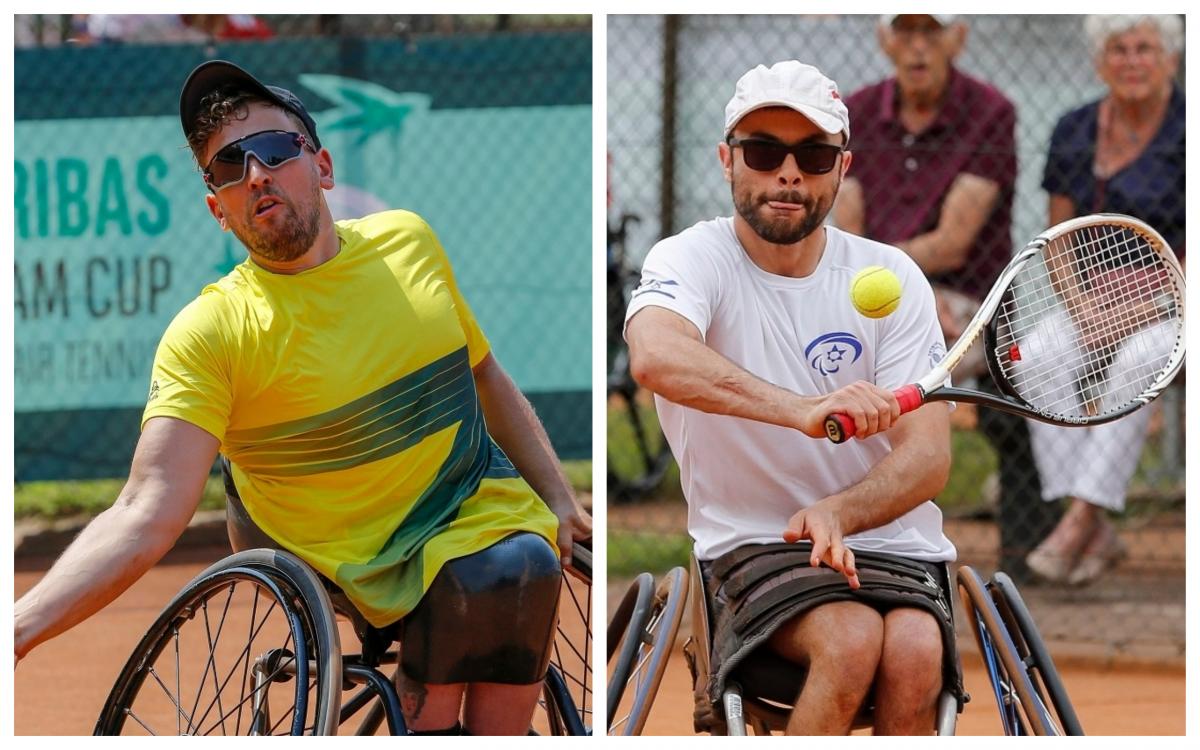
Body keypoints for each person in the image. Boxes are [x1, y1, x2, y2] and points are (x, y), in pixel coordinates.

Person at [13, 60, 591, 736]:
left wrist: (557, 494)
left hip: (462, 507)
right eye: (229, 166)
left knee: (515, 566)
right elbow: (146, 508)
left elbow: (485, 374)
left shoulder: (409, 241)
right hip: (320, 545)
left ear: (320, 165)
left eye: (276, 149)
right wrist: (18, 628)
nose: (256, 174)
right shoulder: (211, 332)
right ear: (216, 209)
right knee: (482, 588)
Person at [624, 59, 962, 736]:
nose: (788, 173)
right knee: (850, 640)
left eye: (813, 155)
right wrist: (801, 410)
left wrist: (841, 510)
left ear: (842, 167)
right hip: (750, 544)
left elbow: (928, 458)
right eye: (763, 151)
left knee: (917, 651)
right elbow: (656, 355)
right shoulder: (690, 259)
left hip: (893, 545)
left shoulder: (890, 276)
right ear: (727, 160)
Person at [832, 13, 1054, 583]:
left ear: (959, 38)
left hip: (970, 303)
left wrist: (909, 287)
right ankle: (841, 536)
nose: (918, 47)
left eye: (932, 32)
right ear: (884, 40)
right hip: (869, 291)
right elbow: (849, 231)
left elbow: (955, 242)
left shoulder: (991, 111)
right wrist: (902, 291)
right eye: (905, 33)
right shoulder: (853, 109)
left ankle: (999, 558)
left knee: (999, 410)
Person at [1022, 14, 1184, 586]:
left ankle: (1080, 520)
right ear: (1099, 60)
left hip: (1175, 303)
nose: (1133, 60)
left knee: (1144, 358)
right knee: (1037, 356)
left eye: (1145, 47)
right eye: (1119, 48)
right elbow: (1056, 239)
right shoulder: (1074, 128)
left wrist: (1137, 311)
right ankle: (1095, 530)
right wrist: (1085, 309)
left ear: (1169, 58)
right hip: (1087, 301)